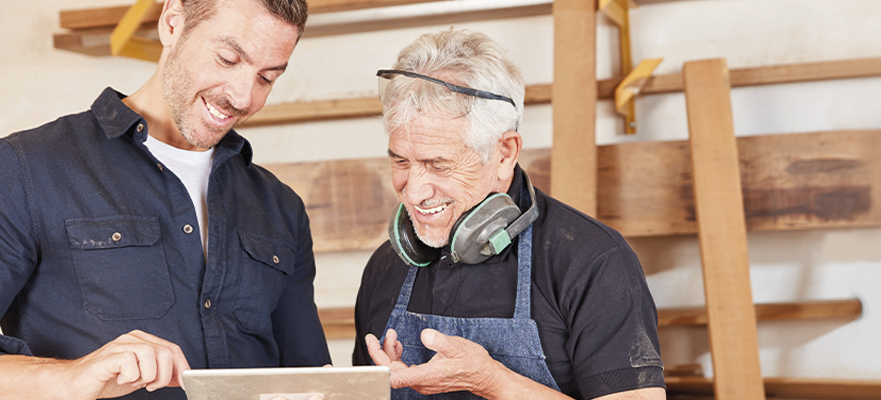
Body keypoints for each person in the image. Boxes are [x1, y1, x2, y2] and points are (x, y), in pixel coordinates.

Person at [0, 0, 331, 399]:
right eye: (227, 59)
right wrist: (71, 378)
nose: (243, 97)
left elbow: (311, 382)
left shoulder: (281, 207)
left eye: (266, 78)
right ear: (173, 24)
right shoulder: (25, 169)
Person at [351, 28, 666, 400]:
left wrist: (492, 381)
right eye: (401, 161)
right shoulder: (385, 267)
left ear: (504, 153)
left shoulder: (591, 261)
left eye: (438, 165)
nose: (414, 191)